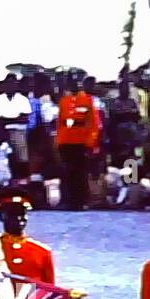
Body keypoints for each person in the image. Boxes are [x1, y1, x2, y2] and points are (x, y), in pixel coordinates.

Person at [56, 76, 100, 211]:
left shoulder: (87, 100)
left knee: (80, 173)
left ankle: (81, 201)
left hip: (81, 141)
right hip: (66, 141)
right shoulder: (64, 101)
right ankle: (68, 201)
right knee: (67, 172)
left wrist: (90, 142)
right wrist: (59, 141)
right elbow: (60, 123)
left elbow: (94, 123)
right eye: (71, 83)